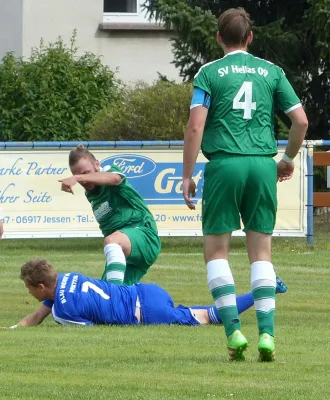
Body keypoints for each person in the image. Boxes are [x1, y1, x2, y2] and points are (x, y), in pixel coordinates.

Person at [182, 8, 308, 361]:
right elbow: (300, 120)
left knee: (217, 251)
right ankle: (267, 334)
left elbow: (195, 128)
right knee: (261, 252)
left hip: (225, 164)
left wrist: (187, 174)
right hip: (263, 164)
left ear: (219, 37)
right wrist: (287, 158)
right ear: (250, 37)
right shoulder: (272, 72)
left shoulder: (209, 73)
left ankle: (234, 331)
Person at [8, 259, 286, 329]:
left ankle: (265, 288)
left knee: (210, 316)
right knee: (197, 310)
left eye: (28, 288)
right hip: (147, 291)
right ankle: (264, 288)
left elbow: (88, 328)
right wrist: (16, 327)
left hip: (146, 314)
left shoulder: (62, 311)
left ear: (41, 287)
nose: (28, 293)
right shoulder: (69, 277)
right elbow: (37, 314)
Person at [59, 145, 161, 286]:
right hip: (126, 251)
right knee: (104, 295)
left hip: (144, 236)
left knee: (111, 241)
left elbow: (115, 179)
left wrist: (76, 177)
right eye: (80, 176)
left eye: (86, 173)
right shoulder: (91, 193)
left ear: (97, 165)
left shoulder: (109, 171)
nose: (84, 180)